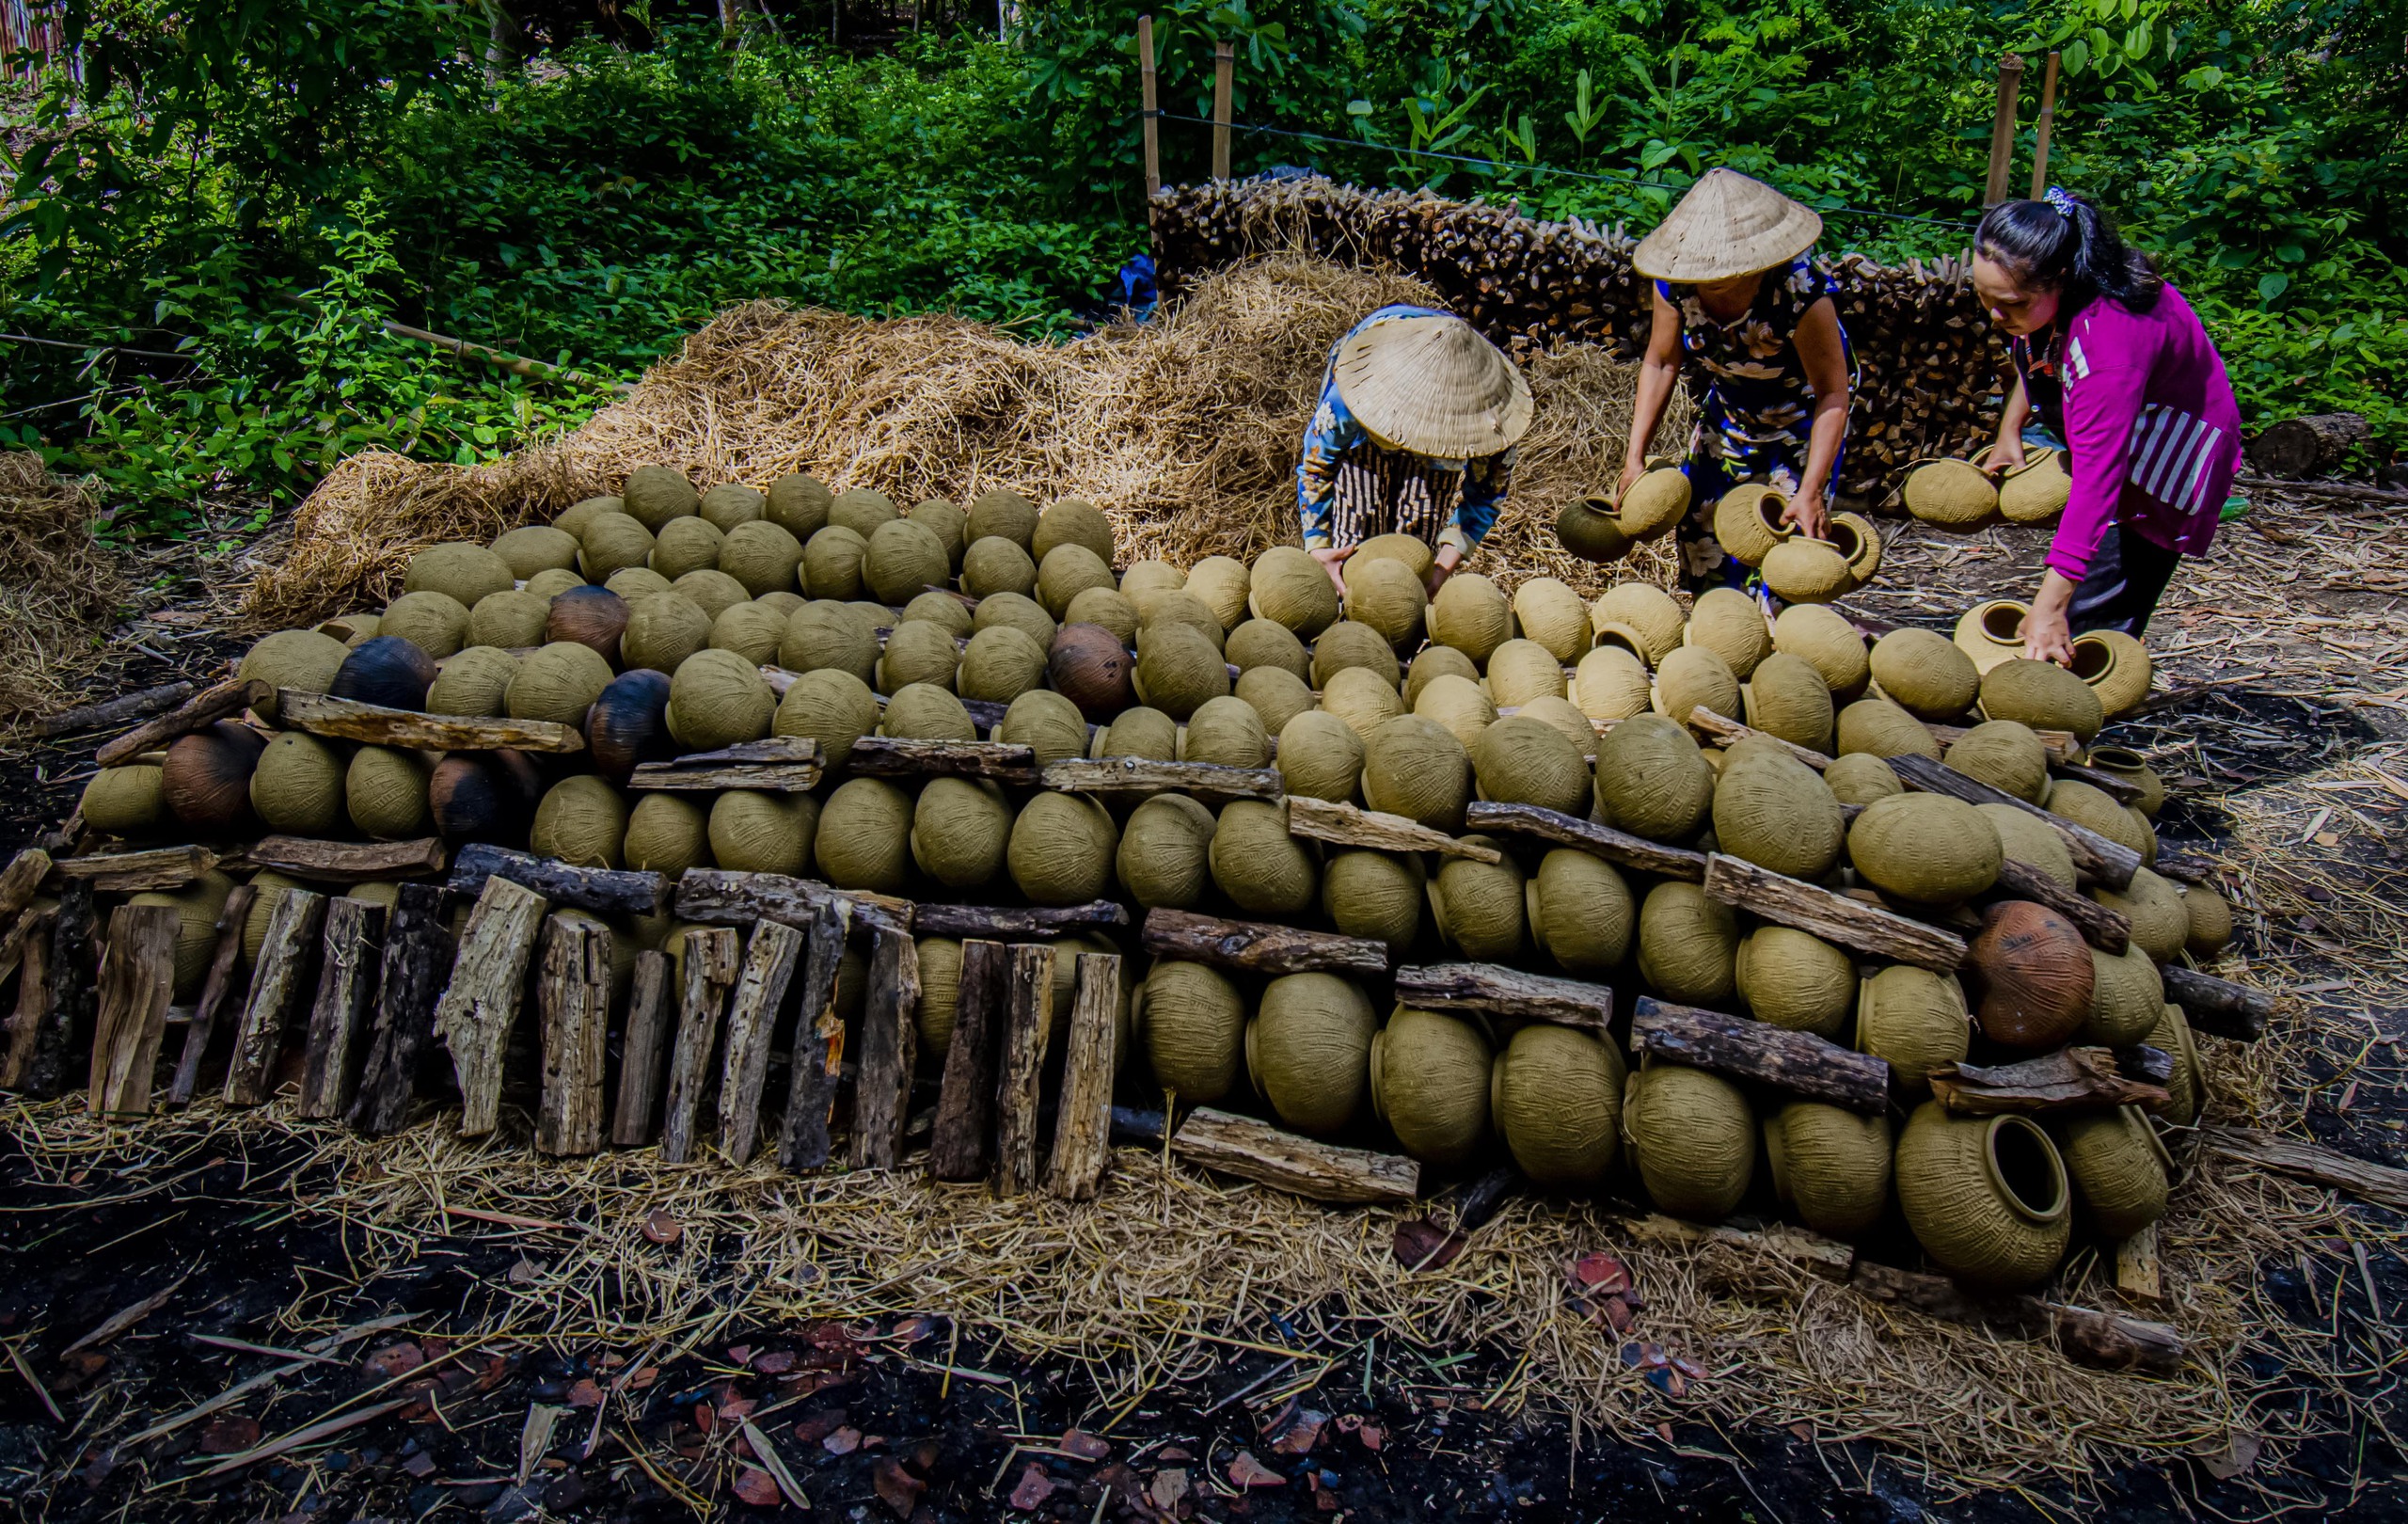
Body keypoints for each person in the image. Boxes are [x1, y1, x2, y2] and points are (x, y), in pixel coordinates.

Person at [1972, 187, 2242, 664]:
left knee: (2082, 629)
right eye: (1984, 297)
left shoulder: (2108, 347)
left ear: (2058, 279)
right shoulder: (2063, 288)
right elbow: (2034, 351)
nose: (1996, 316)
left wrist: (2051, 606)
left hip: (2168, 453)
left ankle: (2071, 717)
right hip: (2121, 421)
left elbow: (2100, 480)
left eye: (2009, 303)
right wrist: (2009, 430)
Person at [1620, 167, 1857, 598]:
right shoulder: (1675, 283)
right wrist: (1634, 457)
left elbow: (1833, 394)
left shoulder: (1801, 293)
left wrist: (1811, 490)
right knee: (1703, 537)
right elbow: (1659, 363)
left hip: (1800, 421)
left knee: (1783, 550)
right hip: (1727, 415)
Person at [1296, 305, 1532, 594]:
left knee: (1416, 544)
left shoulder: (1493, 416)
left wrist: (1440, 570)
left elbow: (1485, 496)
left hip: (1452, 432)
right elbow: (1317, 464)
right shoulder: (1353, 392)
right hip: (1377, 407)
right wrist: (1318, 545)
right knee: (1358, 529)